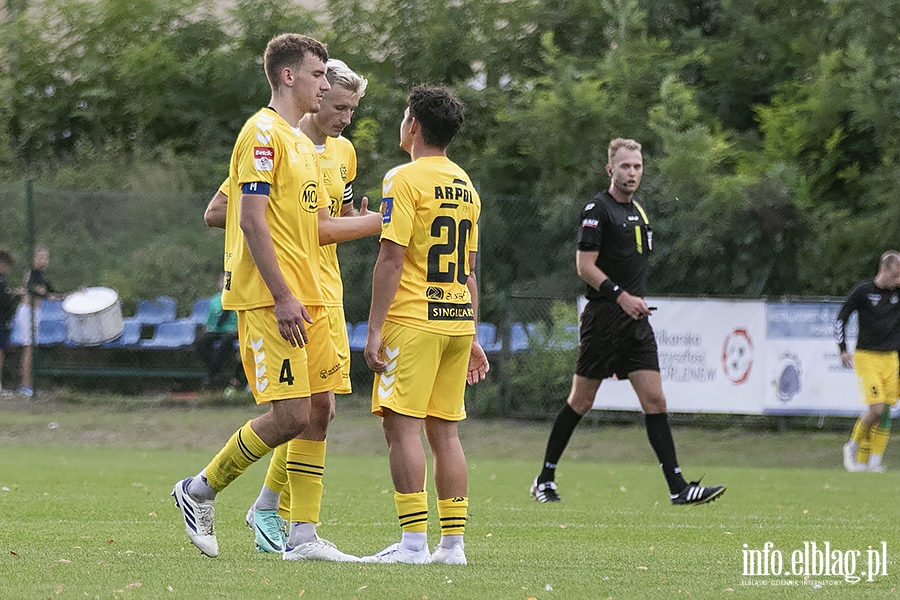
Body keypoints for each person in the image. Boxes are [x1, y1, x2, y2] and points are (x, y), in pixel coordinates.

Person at [172, 33, 359, 562]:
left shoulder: (301, 142)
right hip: (271, 300)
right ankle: (199, 490)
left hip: (311, 297)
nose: (326, 83)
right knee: (290, 416)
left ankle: (303, 537)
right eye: (319, 74)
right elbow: (247, 218)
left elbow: (317, 226)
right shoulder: (260, 133)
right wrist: (282, 295)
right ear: (288, 76)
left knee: (317, 411)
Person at [529, 138, 726, 506]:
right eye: (625, 167)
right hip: (604, 316)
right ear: (610, 170)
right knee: (581, 401)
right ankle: (545, 478)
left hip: (635, 321)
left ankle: (678, 488)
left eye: (637, 167)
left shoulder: (639, 212)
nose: (632, 173)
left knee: (655, 399)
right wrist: (620, 295)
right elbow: (584, 267)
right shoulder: (597, 209)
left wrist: (630, 301)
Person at [241, 58, 381, 553]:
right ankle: (285, 521)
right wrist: (378, 224)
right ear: (316, 95)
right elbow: (226, 210)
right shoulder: (277, 141)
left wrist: (355, 219)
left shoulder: (344, 153)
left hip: (328, 293)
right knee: (305, 410)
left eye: (351, 109)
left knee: (320, 411)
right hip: (291, 293)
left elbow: (334, 222)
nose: (344, 117)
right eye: (339, 105)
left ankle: (271, 511)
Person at [362, 84, 489, 566]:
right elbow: (470, 268)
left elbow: (392, 257)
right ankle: (452, 547)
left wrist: (375, 329)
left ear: (413, 124)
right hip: (457, 319)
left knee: (403, 431)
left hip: (414, 320)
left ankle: (413, 544)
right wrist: (474, 334)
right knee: (446, 433)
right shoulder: (466, 184)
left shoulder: (403, 178)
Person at [835, 250, 900, 473]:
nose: (898, 280)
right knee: (876, 408)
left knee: (885, 411)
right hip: (867, 356)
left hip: (891, 358)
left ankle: (872, 461)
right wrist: (843, 350)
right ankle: (851, 447)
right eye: (895, 275)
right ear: (883, 269)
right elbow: (841, 318)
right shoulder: (863, 291)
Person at [15, 244, 57, 398]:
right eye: (40, 257)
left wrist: (53, 295)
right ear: (33, 259)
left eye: (46, 257)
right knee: (29, 348)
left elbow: (48, 291)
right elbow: (34, 289)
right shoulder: (32, 273)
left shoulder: (42, 276)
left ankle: (30, 385)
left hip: (36, 312)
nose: (43, 260)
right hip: (28, 313)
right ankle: (25, 386)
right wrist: (46, 295)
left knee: (32, 349)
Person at [195, 273, 240, 390]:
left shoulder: (238, 298)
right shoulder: (214, 301)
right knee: (201, 342)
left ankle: (212, 374)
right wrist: (206, 329)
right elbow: (209, 321)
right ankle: (216, 372)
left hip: (232, 331)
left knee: (227, 340)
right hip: (216, 330)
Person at [0, 250, 22, 396]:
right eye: (7, 266)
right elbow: (3, 304)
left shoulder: (3, 281)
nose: (9, 269)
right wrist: (14, 297)